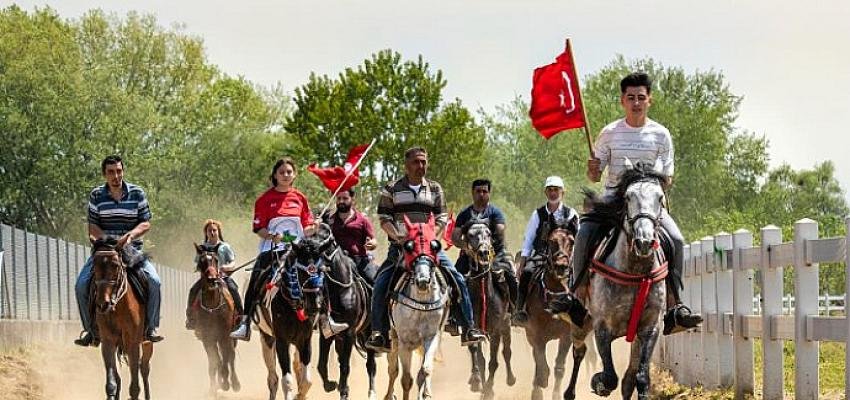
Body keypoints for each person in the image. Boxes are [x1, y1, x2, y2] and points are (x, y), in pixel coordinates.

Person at [562, 72, 702, 334]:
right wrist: (592, 168)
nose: (636, 103)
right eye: (630, 98)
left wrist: (645, 189)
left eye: (641, 97)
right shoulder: (610, 133)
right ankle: (576, 297)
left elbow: (667, 178)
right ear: (622, 101)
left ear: (649, 100)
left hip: (648, 204)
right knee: (584, 233)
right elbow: (594, 176)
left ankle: (674, 305)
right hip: (613, 201)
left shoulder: (661, 134)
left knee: (677, 240)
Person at [365, 147, 486, 353]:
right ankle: (380, 333)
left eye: (423, 162)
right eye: (416, 162)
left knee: (457, 278)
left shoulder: (435, 188)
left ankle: (468, 327)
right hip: (401, 249)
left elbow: (441, 218)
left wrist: (431, 235)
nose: (420, 166)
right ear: (406, 164)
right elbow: (384, 218)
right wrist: (399, 237)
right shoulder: (392, 188)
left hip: (429, 249)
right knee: (380, 284)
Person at [229, 157, 347, 341]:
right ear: (275, 175)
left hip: (298, 251)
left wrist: (314, 227)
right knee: (256, 277)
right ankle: (245, 323)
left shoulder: (300, 198)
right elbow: (259, 228)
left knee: (319, 274)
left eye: (289, 172)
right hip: (272, 249)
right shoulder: (264, 199)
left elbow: (305, 228)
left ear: (294, 175)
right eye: (282, 172)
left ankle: (326, 319)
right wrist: (270, 235)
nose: (285, 175)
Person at [74, 155, 163, 346]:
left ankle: (150, 328)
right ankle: (90, 331)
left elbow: (146, 223)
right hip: (105, 252)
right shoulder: (96, 196)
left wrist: (129, 236)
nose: (116, 176)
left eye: (119, 171)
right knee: (81, 285)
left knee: (154, 281)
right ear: (104, 175)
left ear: (123, 171)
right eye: (111, 172)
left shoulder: (137, 193)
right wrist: (106, 241)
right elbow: (93, 227)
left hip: (131, 250)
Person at [511, 176, 579, 326]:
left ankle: (581, 314)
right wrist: (522, 263)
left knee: (580, 278)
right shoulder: (538, 214)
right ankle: (520, 310)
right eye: (550, 190)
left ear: (563, 192)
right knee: (527, 273)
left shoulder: (571, 213)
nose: (553, 193)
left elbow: (578, 238)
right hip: (540, 254)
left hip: (566, 255)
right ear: (545, 192)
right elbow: (528, 239)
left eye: (556, 190)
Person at [450, 179, 518, 311]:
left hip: (496, 253)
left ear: (489, 193)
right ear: (472, 193)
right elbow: (455, 236)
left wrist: (489, 247)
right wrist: (466, 247)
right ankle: (453, 316)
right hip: (470, 255)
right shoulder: (464, 214)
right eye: (478, 191)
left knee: (511, 276)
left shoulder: (495, 213)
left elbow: (500, 232)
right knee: (453, 279)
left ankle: (514, 309)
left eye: (484, 191)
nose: (481, 194)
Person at [185, 219, 243, 330]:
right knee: (193, 290)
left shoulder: (225, 246)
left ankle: (240, 317)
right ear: (206, 233)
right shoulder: (202, 248)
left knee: (233, 289)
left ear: (218, 232)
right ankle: (190, 317)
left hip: (223, 277)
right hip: (206, 279)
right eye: (209, 230)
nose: (212, 233)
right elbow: (197, 263)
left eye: (214, 230)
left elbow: (233, 262)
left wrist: (226, 267)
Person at [324, 188, 379, 281]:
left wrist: (372, 244)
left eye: (345, 198)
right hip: (336, 263)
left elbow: (373, 240)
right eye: (338, 198)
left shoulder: (362, 219)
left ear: (352, 199)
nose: (341, 201)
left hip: (359, 261)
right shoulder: (330, 220)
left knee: (374, 282)